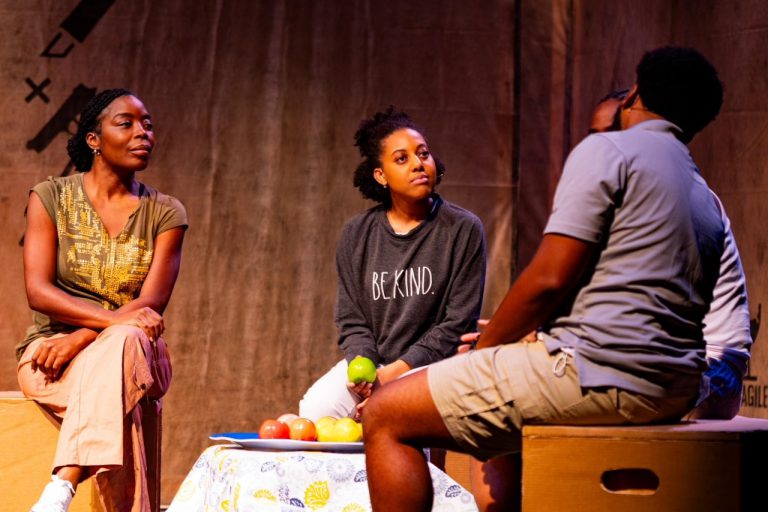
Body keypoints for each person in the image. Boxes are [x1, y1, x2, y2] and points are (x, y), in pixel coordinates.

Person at [361, 46, 732, 512]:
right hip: (676, 386)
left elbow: (549, 279)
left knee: (386, 414)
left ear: (632, 95)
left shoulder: (609, 149)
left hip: (598, 375)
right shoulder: (702, 192)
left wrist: (486, 347)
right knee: (497, 408)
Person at [463, 87, 753, 510]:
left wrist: (504, 347)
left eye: (612, 133)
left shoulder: (658, 200)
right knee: (505, 382)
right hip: (658, 364)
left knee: (493, 392)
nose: (601, 145)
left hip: (706, 371)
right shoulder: (631, 193)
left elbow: (622, 319)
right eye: (593, 135)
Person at [17, 88, 188, 512]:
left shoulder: (166, 213)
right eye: (126, 123)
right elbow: (38, 292)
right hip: (51, 361)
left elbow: (152, 302)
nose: (143, 133)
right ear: (93, 139)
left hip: (137, 354)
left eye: (147, 124)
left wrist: (81, 337)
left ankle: (62, 486)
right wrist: (100, 329)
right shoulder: (50, 197)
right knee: (122, 402)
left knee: (126, 341)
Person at [298, 106, 486, 422]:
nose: (418, 163)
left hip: (435, 365)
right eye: (402, 159)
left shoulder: (463, 228)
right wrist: (364, 371)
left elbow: (457, 324)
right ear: (380, 175)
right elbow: (352, 319)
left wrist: (391, 376)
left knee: (393, 414)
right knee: (317, 411)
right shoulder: (356, 234)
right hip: (375, 365)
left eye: (423, 154)